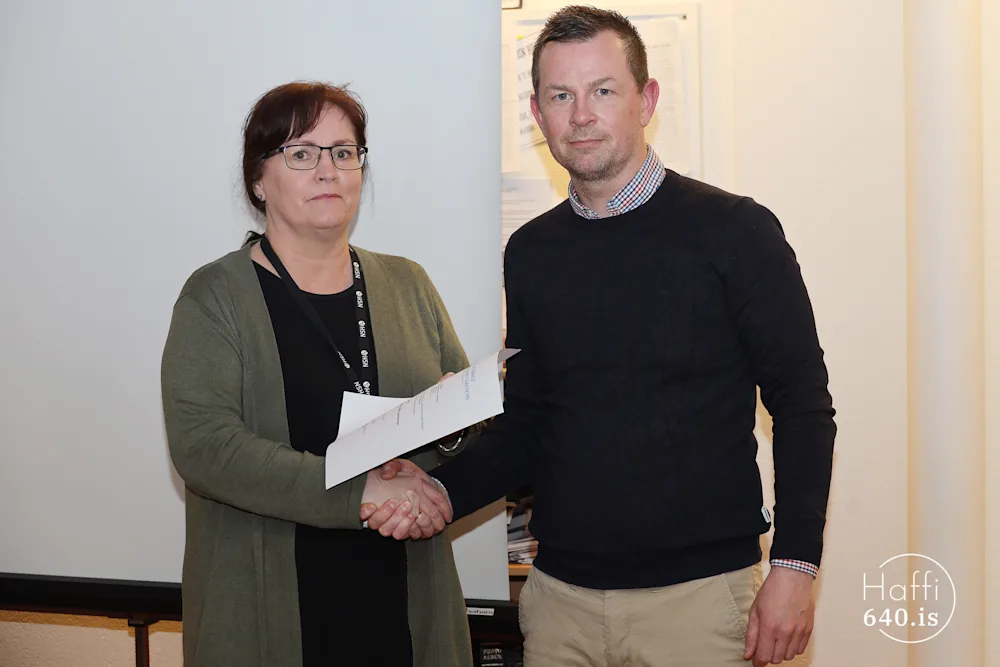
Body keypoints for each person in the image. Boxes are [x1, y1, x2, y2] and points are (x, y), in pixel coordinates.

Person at [365, 6, 837, 667]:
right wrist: (441, 490)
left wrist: (795, 564)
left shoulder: (736, 231)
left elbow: (803, 404)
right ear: (538, 114)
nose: (581, 114)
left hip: (698, 605)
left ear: (647, 100)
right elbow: (529, 423)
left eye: (603, 90)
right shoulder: (532, 252)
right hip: (562, 607)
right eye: (561, 96)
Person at [161, 81, 474, 667]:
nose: (327, 170)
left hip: (403, 606)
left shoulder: (408, 283)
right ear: (258, 179)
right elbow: (205, 448)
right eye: (301, 153)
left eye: (344, 152)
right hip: (273, 614)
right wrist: (361, 492)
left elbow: (466, 422)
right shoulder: (215, 296)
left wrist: (451, 435)